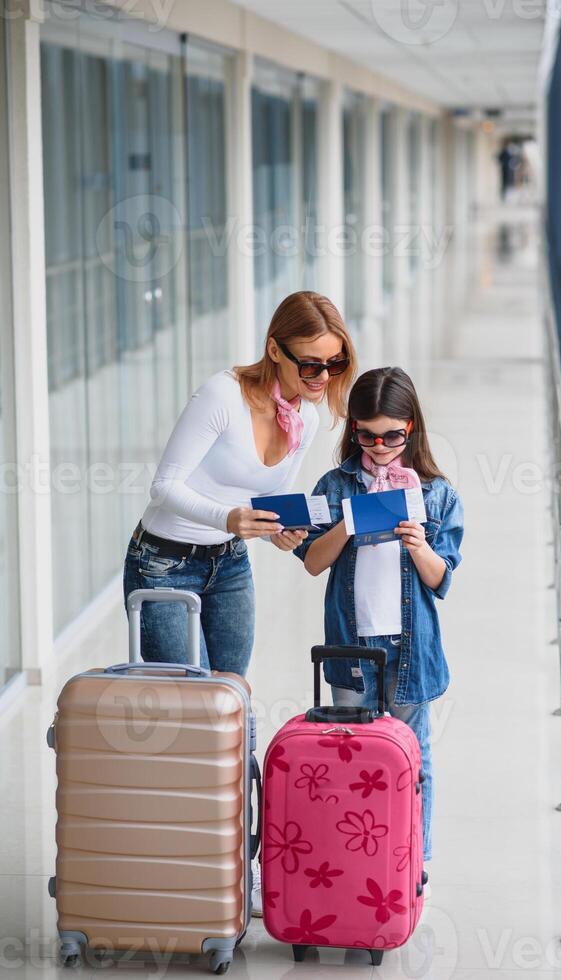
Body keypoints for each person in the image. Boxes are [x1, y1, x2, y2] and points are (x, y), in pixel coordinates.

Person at [122, 290, 356, 914]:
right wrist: (228, 515)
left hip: (228, 562)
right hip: (164, 560)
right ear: (274, 350)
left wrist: (282, 533)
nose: (322, 378)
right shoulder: (221, 396)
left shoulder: (303, 417)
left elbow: (267, 509)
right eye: (310, 364)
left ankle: (235, 866)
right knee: (187, 716)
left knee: (234, 701)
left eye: (333, 365)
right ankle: (179, 864)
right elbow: (164, 487)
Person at [293, 367, 464, 882]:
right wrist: (349, 521)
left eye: (392, 435)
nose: (381, 446)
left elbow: (442, 580)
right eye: (367, 435)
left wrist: (420, 546)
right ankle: (354, 861)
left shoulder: (437, 495)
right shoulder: (335, 484)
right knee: (348, 755)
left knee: (415, 757)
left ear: (411, 427)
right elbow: (313, 561)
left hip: (411, 646)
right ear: (354, 431)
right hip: (350, 644)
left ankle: (414, 864)